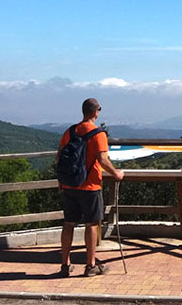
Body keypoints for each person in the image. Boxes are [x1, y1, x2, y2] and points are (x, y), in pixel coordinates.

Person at [57, 98, 124, 277]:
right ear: (95, 112)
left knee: (69, 224)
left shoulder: (70, 131)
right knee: (92, 224)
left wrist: (61, 182)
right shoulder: (97, 134)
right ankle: (90, 265)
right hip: (90, 186)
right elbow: (102, 159)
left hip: (69, 185)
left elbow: (59, 158)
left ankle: (65, 265)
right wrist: (116, 173)